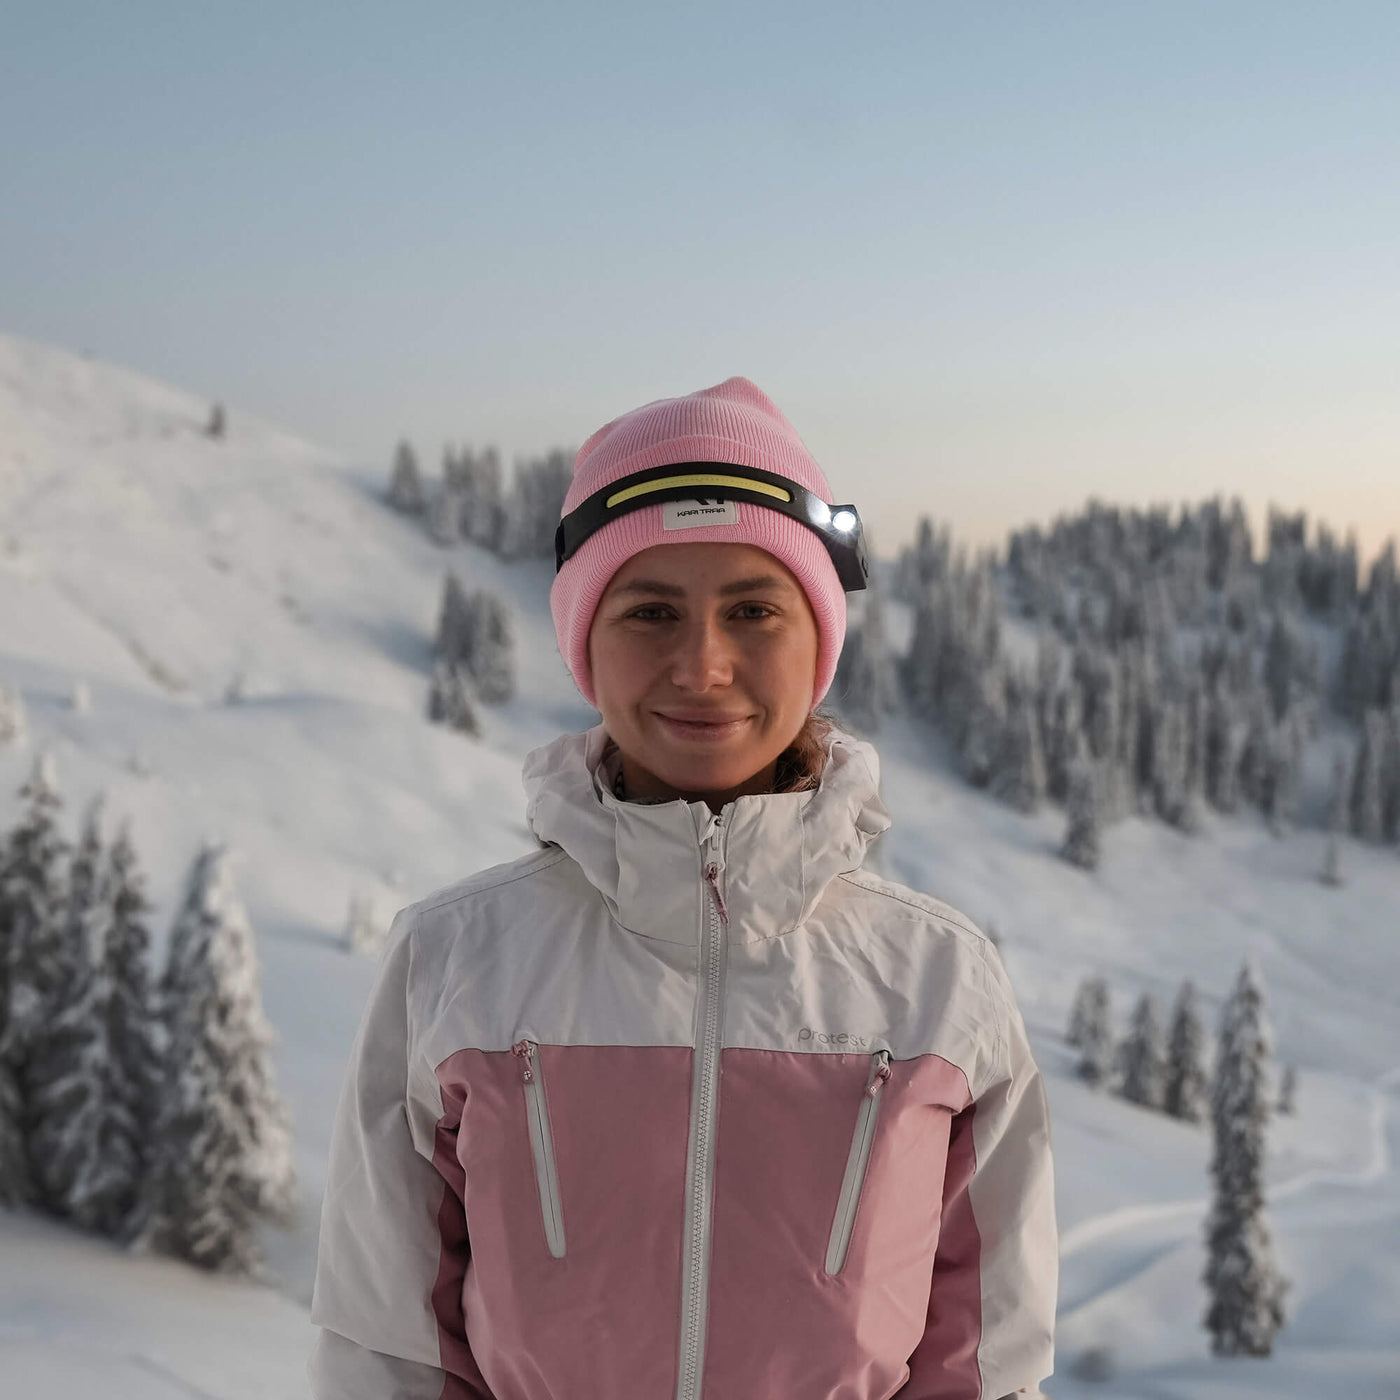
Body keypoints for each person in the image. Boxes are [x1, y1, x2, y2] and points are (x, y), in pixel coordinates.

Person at [308, 376, 1058, 1400]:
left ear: (819, 639)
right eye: (651, 611)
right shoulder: (454, 961)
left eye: (753, 610)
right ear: (585, 641)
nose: (702, 665)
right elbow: (384, 1350)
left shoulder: (938, 980)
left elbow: (987, 1368)